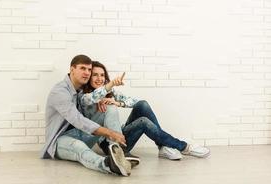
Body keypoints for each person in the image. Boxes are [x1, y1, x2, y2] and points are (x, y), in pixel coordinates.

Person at [80, 61, 210, 161]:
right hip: (108, 143)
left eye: (102, 75)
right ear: (89, 77)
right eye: (95, 75)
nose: (99, 78)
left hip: (122, 135)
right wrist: (111, 85)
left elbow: (135, 101)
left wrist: (118, 102)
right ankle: (184, 147)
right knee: (144, 122)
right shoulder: (84, 97)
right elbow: (93, 97)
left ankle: (163, 147)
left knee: (142, 105)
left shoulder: (110, 93)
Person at [40, 55, 132, 176]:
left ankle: (117, 151)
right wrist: (110, 133)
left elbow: (90, 98)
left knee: (110, 108)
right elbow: (78, 120)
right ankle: (108, 164)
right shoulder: (60, 92)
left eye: (89, 69)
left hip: (79, 133)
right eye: (83, 68)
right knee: (79, 147)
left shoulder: (81, 89)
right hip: (60, 141)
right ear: (72, 69)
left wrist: (101, 99)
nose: (87, 73)